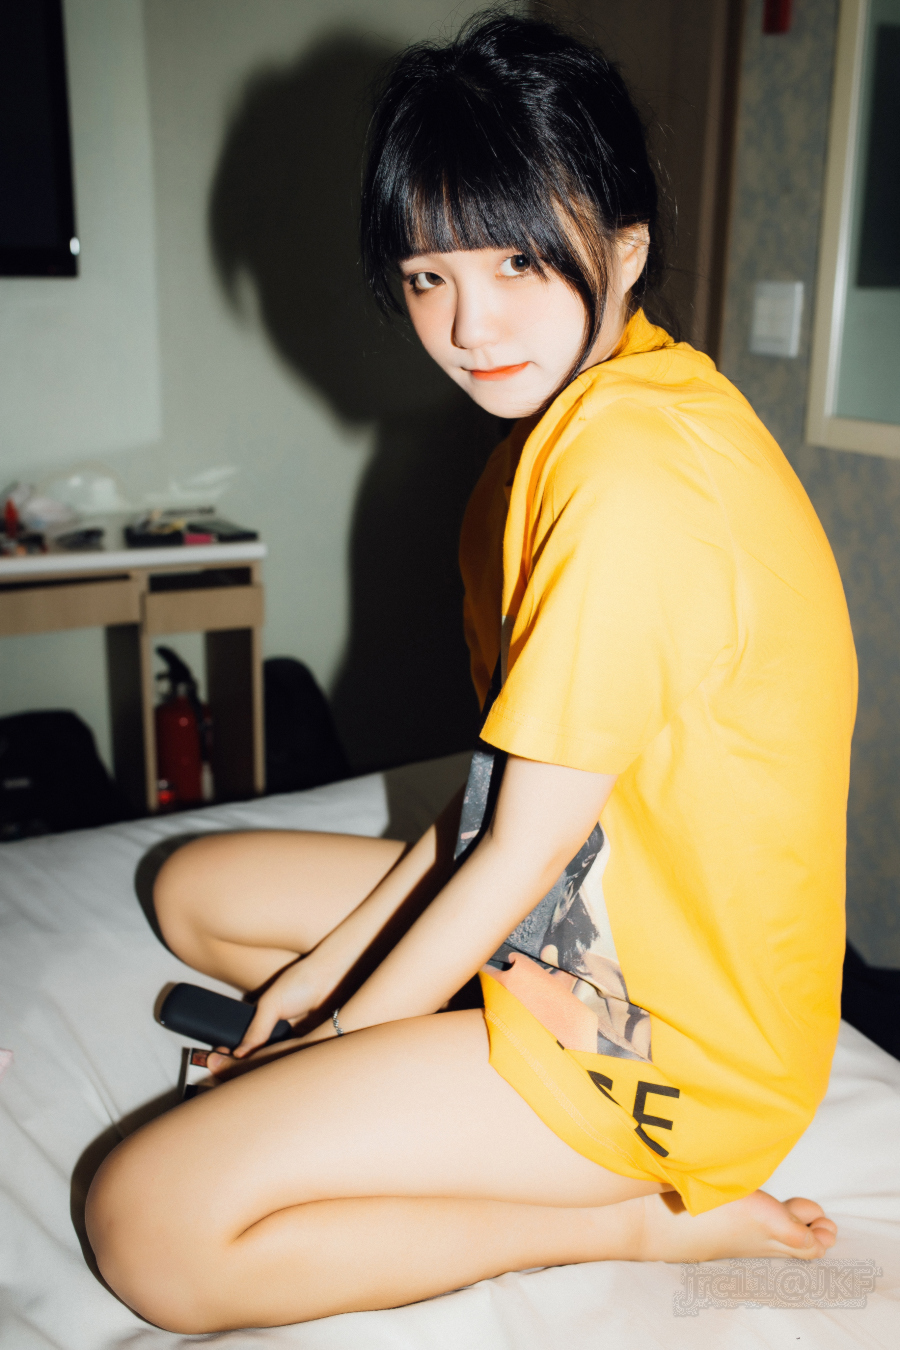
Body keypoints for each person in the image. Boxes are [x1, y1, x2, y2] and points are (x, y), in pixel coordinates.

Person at [85, 13, 856, 1334]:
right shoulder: (548, 441)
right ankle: (448, 1047)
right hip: (583, 919)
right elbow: (510, 793)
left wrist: (330, 1047)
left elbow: (517, 851)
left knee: (148, 1223)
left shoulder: (632, 472)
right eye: (427, 274)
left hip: (671, 1040)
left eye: (515, 259)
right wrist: (318, 982)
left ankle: (633, 1217)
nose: (469, 323)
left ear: (626, 246)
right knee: (197, 896)